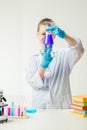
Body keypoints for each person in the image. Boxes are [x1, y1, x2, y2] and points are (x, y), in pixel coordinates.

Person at [26, 18, 84, 109]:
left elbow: (78, 49)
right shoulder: (32, 59)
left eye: (49, 34)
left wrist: (64, 35)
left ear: (54, 36)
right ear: (37, 35)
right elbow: (33, 83)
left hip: (62, 108)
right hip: (41, 109)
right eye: (43, 34)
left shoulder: (63, 55)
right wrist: (43, 65)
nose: (46, 37)